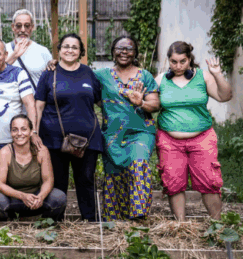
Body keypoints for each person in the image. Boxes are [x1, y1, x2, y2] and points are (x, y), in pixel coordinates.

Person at [155, 41, 233, 221]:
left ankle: (217, 224)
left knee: (209, 181)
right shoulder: (160, 80)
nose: (178, 66)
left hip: (202, 138)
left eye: (182, 61)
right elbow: (151, 105)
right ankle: (181, 226)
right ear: (169, 61)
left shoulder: (202, 77)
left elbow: (225, 96)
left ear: (189, 59)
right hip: (169, 139)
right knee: (173, 182)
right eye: (173, 62)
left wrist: (218, 74)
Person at [35, 33, 104, 222]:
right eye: (66, 46)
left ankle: (90, 220)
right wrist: (34, 131)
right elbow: (38, 105)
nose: (70, 50)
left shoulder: (88, 73)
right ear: (59, 50)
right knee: (58, 182)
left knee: (87, 180)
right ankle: (55, 221)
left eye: (74, 47)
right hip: (54, 138)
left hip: (87, 139)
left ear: (81, 51)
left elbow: (100, 101)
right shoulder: (50, 73)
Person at [96, 36, 160, 220]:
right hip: (113, 134)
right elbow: (79, 78)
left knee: (138, 163)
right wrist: (54, 64)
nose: (124, 52)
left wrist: (141, 103)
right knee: (114, 173)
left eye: (129, 48)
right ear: (112, 51)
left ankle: (138, 216)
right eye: (120, 48)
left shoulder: (145, 76)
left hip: (140, 131)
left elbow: (155, 104)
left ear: (135, 53)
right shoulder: (101, 76)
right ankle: (115, 219)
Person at [0, 39, 39, 197]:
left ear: (5, 55)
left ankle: (13, 216)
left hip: (13, 140)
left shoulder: (18, 74)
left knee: (13, 180)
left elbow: (30, 104)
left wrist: (34, 132)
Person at [0, 114, 67, 221]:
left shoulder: (41, 151)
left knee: (59, 197)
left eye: (24, 129)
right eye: (15, 130)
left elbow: (48, 180)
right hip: (13, 200)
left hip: (36, 199)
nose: (19, 133)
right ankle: (9, 222)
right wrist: (22, 196)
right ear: (10, 132)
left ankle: (45, 223)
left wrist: (41, 197)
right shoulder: (5, 153)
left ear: (30, 131)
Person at [5, 9, 54, 88]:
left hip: (35, 99)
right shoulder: (4, 50)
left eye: (27, 26)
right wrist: (14, 55)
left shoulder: (43, 51)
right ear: (13, 27)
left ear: (32, 27)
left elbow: (51, 80)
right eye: (18, 26)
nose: (23, 30)